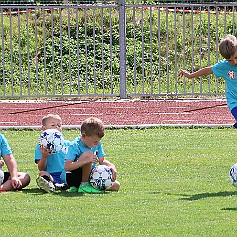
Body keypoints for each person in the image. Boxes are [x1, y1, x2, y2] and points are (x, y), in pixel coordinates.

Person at [179, 34, 237, 128]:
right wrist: (190, 75)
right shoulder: (223, 67)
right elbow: (207, 70)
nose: (234, 62)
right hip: (234, 101)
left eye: (236, 58)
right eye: (230, 60)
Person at [61, 117, 120, 193]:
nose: (96, 144)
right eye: (94, 141)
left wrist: (111, 166)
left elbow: (102, 160)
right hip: (71, 177)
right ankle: (83, 186)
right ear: (84, 136)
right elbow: (67, 167)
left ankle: (80, 187)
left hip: (90, 175)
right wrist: (85, 161)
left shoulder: (97, 144)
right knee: (89, 154)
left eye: (98, 141)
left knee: (116, 185)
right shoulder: (74, 146)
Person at [35, 114, 70, 193]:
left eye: (59, 125)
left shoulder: (68, 144)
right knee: (42, 173)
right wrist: (44, 157)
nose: (57, 127)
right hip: (51, 175)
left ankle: (63, 184)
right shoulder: (40, 147)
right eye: (53, 125)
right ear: (44, 128)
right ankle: (52, 184)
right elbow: (41, 168)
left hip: (66, 174)